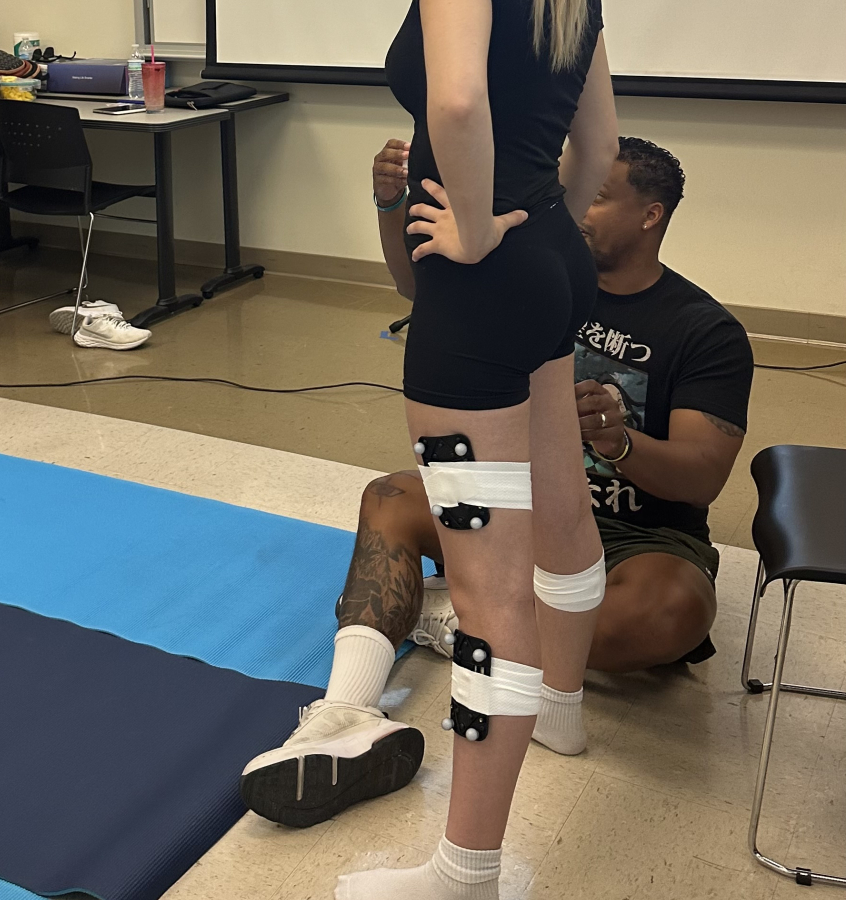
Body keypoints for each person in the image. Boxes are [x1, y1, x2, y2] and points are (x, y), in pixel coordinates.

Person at [246, 0, 619, 900]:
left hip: (478, 298)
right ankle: (563, 711)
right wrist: (533, 225)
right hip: (551, 266)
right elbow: (599, 149)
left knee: (487, 586)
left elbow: (453, 101)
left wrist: (475, 228)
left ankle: (463, 881)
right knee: (560, 508)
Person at [240, 135, 753, 830]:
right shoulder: (542, 276)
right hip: (521, 504)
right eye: (571, 190)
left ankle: (458, 617)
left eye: (598, 197)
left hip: (638, 538)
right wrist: (391, 205)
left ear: (650, 215)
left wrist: (620, 442)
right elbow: (417, 286)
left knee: (674, 613)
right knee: (390, 499)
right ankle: (345, 711)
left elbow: (702, 478)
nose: (576, 208)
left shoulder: (704, 330)